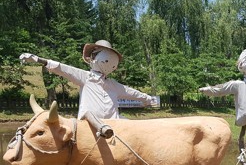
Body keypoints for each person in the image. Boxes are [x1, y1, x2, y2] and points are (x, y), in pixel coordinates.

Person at [19, 40, 157, 138]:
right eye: (95, 54)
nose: (94, 57)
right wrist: (39, 60)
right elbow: (63, 68)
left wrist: (148, 99)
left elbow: (131, 92)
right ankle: (102, 130)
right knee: (87, 114)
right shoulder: (85, 77)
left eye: (97, 54)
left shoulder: (113, 85)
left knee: (134, 128)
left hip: (115, 124)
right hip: (89, 126)